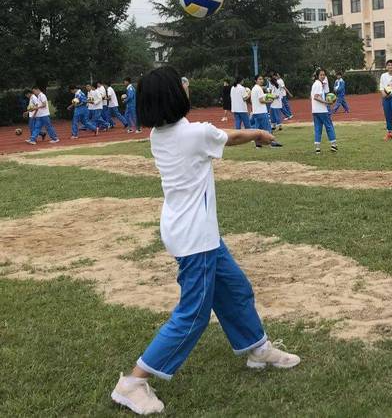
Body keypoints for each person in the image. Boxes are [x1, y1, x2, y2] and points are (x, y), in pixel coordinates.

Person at [110, 66, 300, 415]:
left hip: (195, 231)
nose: (187, 84)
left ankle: (256, 348)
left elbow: (217, 136)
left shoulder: (161, 134)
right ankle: (132, 383)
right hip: (193, 236)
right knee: (194, 313)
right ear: (173, 95)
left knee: (235, 289)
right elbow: (233, 138)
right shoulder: (194, 134)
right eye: (182, 83)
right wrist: (260, 132)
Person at [250, 75, 282, 148]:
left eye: (262, 79)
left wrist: (268, 96)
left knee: (258, 130)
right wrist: (269, 101)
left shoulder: (254, 89)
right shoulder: (258, 89)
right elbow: (261, 100)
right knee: (267, 128)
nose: (261, 80)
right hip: (261, 112)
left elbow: (253, 100)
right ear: (256, 80)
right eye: (259, 79)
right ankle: (272, 143)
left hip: (256, 112)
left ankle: (258, 144)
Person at [311, 68, 338, 154]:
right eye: (321, 75)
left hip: (315, 111)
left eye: (323, 75)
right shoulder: (318, 84)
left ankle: (317, 148)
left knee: (318, 128)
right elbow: (316, 97)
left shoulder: (315, 84)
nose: (322, 76)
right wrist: (326, 102)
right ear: (317, 76)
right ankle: (334, 145)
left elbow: (313, 97)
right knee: (329, 126)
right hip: (322, 110)